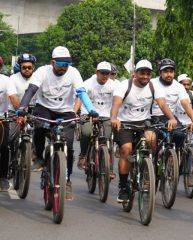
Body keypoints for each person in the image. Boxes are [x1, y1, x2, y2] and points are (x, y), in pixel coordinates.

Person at [16, 46, 99, 200]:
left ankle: (66, 180)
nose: (64, 68)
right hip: (44, 108)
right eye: (60, 64)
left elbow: (81, 92)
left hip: (65, 111)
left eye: (66, 64)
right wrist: (22, 107)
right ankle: (39, 157)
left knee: (67, 143)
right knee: (39, 127)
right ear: (52, 62)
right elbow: (31, 90)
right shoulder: (42, 71)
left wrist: (92, 110)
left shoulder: (73, 73)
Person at [110, 59, 177, 202]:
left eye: (148, 74)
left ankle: (147, 171)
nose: (145, 76)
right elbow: (116, 102)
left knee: (152, 141)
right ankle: (123, 187)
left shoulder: (153, 87)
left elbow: (162, 104)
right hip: (125, 123)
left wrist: (171, 118)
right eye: (142, 73)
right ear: (135, 73)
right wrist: (114, 117)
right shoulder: (124, 86)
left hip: (144, 122)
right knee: (126, 150)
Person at [74, 61, 115, 170]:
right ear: (97, 73)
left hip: (106, 115)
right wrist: (74, 113)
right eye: (103, 73)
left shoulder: (114, 85)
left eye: (108, 73)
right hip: (88, 114)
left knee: (107, 138)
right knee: (86, 132)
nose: (105, 76)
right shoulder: (88, 83)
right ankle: (83, 155)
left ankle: (107, 167)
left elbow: (119, 99)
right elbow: (80, 98)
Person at [150, 59, 193, 149]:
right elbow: (161, 103)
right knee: (151, 140)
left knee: (180, 135)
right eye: (165, 71)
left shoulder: (179, 86)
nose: (169, 74)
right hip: (152, 117)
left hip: (170, 118)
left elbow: (185, 103)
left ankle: (174, 157)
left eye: (171, 71)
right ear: (160, 72)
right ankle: (153, 159)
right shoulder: (152, 83)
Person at [0, 74, 19, 190]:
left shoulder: (6, 80)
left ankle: (2, 177)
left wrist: (20, 112)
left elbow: (13, 97)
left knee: (3, 147)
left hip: (1, 120)